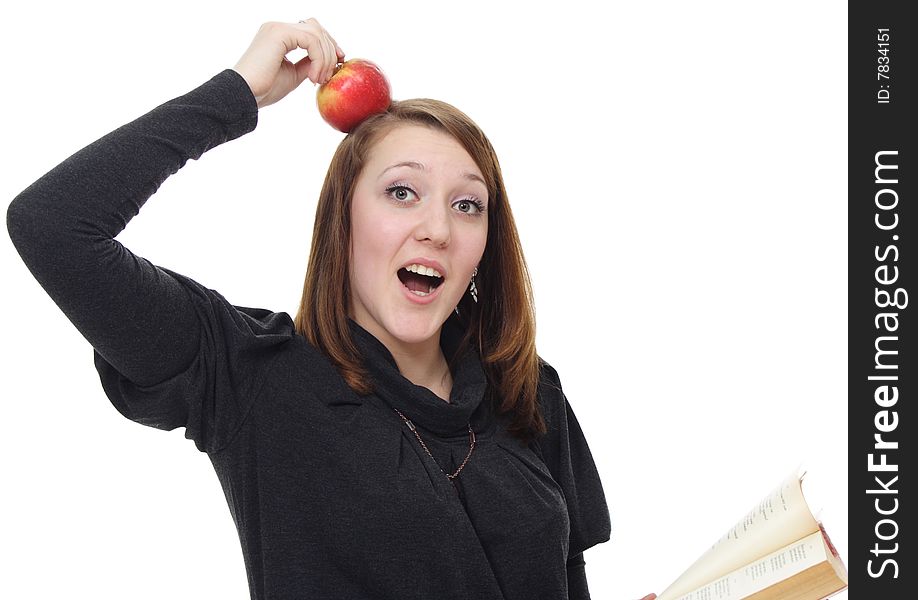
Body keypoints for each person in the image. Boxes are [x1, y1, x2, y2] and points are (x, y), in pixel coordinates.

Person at [7, 18, 655, 600]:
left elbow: (569, 581)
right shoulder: (256, 374)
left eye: (467, 204)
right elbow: (52, 226)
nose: (437, 227)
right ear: (344, 221)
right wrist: (237, 93)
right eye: (402, 192)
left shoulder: (528, 387)